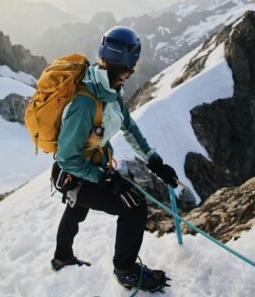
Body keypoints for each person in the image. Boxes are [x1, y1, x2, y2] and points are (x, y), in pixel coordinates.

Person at [51, 26, 178, 292]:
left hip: (92, 168)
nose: (130, 75)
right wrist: (103, 179)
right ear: (115, 66)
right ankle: (126, 271)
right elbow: (65, 157)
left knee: (76, 209)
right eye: (127, 70)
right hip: (76, 173)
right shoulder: (85, 103)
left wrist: (154, 162)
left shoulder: (110, 91)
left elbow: (129, 127)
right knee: (134, 206)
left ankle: (61, 258)